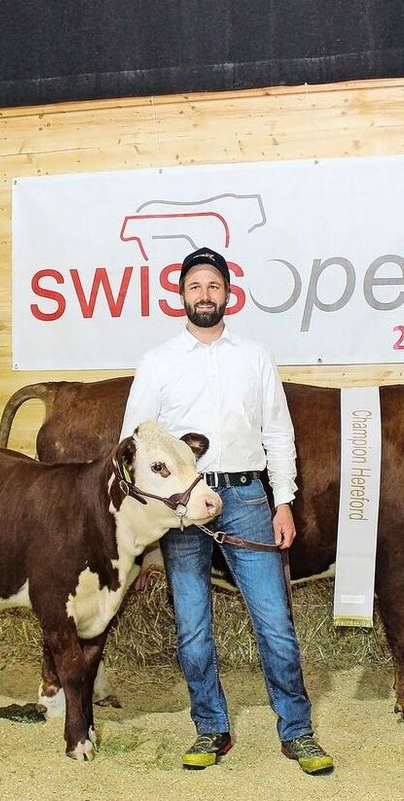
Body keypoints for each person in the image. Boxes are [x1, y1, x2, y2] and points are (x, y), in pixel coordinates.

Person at [121, 246, 334, 776]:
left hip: (245, 497)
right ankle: (210, 727)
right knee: (192, 625)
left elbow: (279, 432)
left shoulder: (255, 356)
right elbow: (137, 440)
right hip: (185, 506)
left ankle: (298, 730)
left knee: (275, 622)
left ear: (228, 294)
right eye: (196, 287)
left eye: (213, 286)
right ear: (182, 296)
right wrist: (157, 509)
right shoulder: (158, 362)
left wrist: (282, 501)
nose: (205, 295)